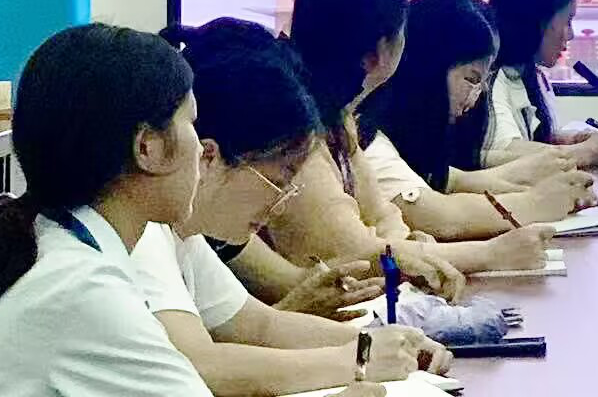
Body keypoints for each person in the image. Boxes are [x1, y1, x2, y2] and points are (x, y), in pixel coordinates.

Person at [0, 24, 367, 397]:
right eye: (191, 123)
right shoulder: (83, 289)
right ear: (148, 148)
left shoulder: (59, 243)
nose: (202, 150)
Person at [151, 21, 453, 396]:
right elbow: (201, 366)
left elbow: (260, 325)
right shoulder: (145, 235)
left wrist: (384, 342)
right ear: (210, 157)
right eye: (278, 181)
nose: (280, 206)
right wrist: (356, 360)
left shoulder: (182, 234)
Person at [260, 0, 554, 287]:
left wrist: (408, 249)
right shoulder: (295, 131)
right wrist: (490, 253)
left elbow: (384, 216)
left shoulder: (340, 119)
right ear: (380, 51)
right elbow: (353, 253)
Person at [361, 0, 598, 238]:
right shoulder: (365, 137)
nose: (477, 97)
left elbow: (453, 180)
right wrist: (536, 202)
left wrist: (543, 191)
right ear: (427, 70)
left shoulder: (409, 138)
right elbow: (436, 216)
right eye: (472, 79)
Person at [471, 0, 598, 169]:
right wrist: (587, 152)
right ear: (536, 20)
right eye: (567, 21)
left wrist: (567, 140)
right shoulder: (492, 78)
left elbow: (529, 139)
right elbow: (505, 151)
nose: (570, 34)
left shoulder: (531, 74)